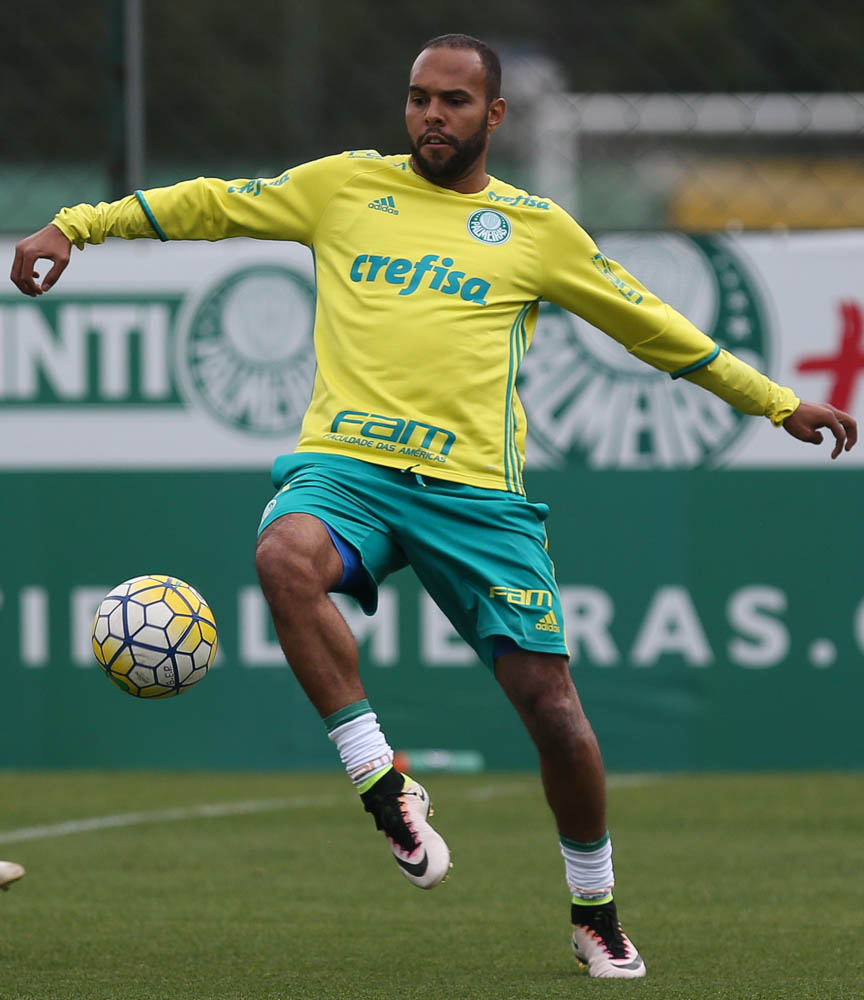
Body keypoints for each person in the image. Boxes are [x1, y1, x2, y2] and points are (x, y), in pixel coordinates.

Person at [10, 33, 856, 980]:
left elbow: (652, 325)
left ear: (494, 116)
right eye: (418, 99)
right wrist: (74, 226)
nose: (431, 118)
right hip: (350, 469)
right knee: (285, 555)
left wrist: (778, 403)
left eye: (454, 102)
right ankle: (383, 781)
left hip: (476, 498)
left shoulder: (534, 229)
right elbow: (208, 203)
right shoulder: (342, 188)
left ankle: (595, 911)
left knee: (558, 717)